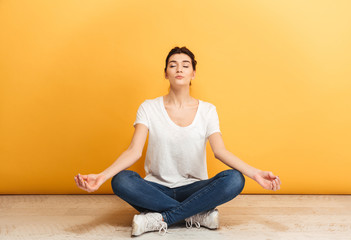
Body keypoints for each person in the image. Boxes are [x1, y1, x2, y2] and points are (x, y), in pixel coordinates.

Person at [74, 46, 281, 237]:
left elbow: (220, 151)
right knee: (121, 180)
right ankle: (196, 215)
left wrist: (255, 173)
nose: (179, 69)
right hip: (155, 189)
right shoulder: (148, 107)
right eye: (173, 65)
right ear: (166, 73)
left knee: (235, 179)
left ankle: (163, 218)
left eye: (185, 65)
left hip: (196, 189)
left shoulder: (208, 111)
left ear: (193, 73)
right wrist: (102, 176)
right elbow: (133, 151)